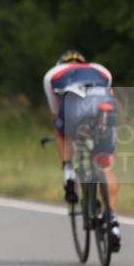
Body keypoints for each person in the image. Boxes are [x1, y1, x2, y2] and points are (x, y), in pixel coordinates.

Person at [43, 49, 120, 251]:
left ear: (61, 62)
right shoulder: (100, 70)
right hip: (104, 109)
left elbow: (56, 111)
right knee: (105, 167)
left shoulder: (53, 74)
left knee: (62, 131)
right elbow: (110, 95)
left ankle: (68, 171)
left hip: (75, 109)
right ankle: (112, 222)